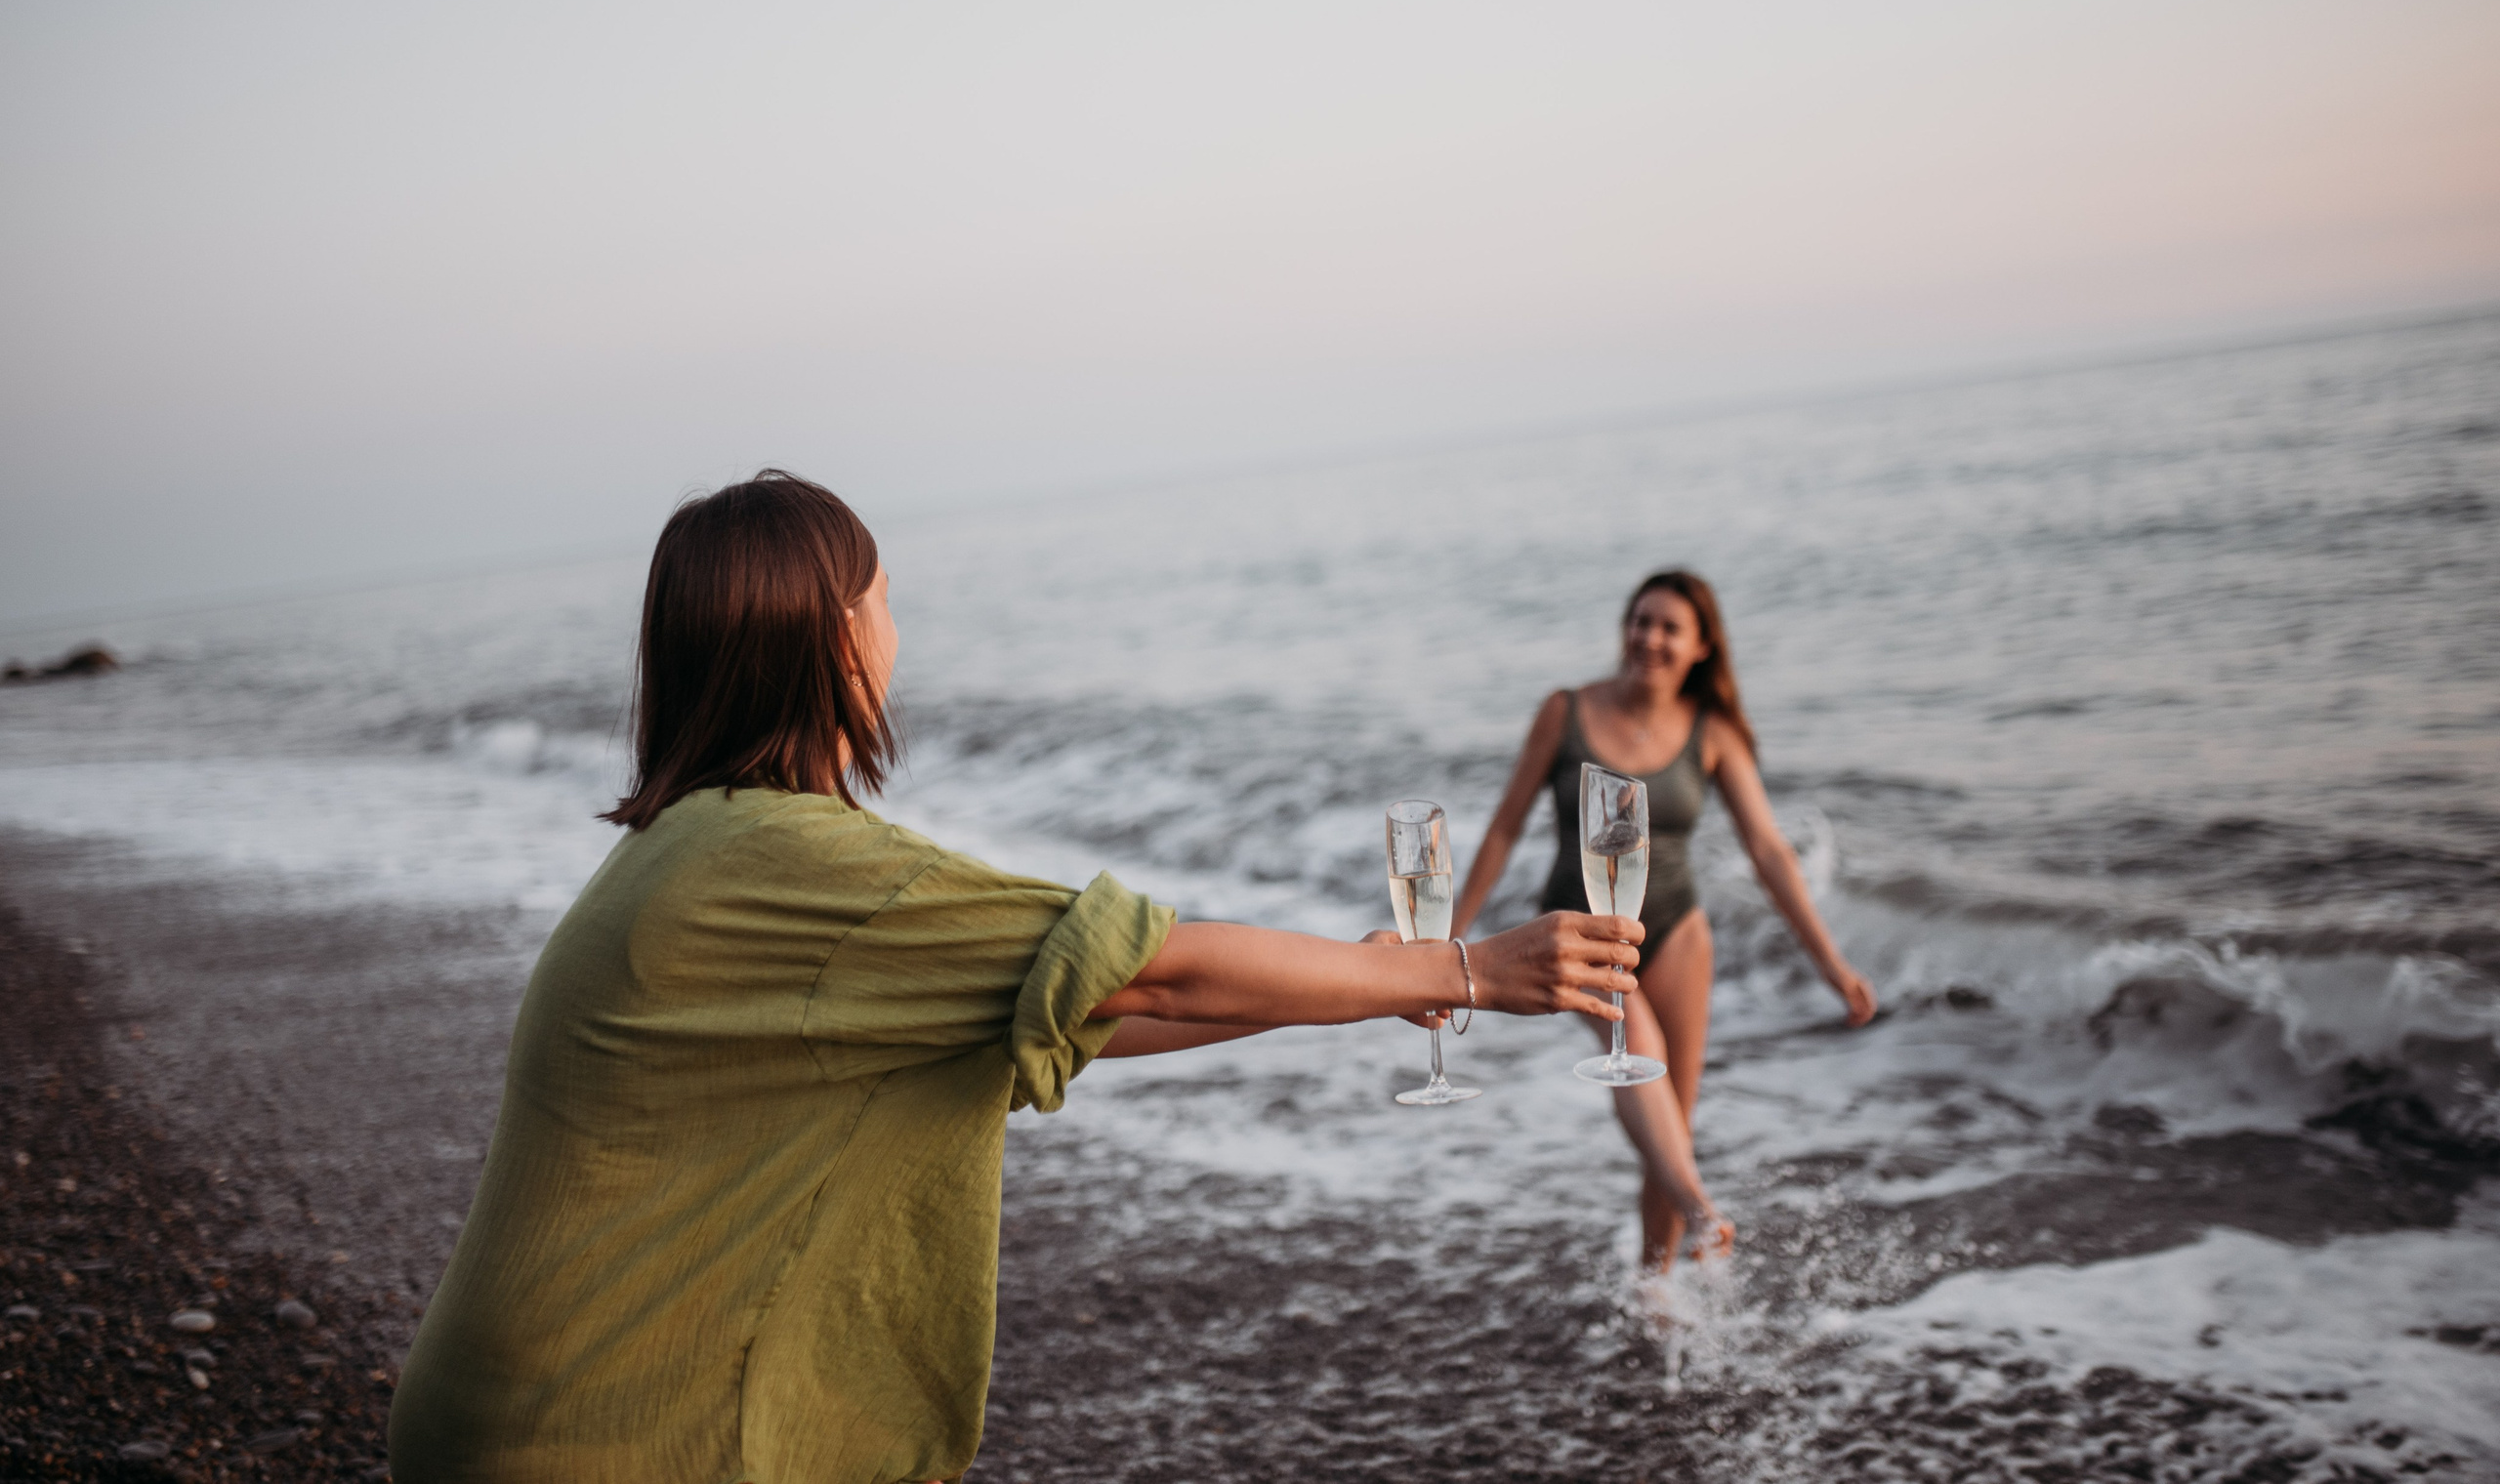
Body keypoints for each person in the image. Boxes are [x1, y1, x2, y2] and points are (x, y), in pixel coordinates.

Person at [388, 470, 1644, 1484]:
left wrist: (1353, 982)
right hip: (599, 1428)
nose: (895, 627)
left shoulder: (699, 849)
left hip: (530, 1403)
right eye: (884, 597)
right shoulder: (785, 863)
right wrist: (1467, 967)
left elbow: (1066, 1006)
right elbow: (1146, 970)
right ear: (837, 635)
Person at [1451, 569, 1878, 1275]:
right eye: (1640, 620)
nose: (1649, 637)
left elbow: (1768, 850)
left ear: (1702, 646)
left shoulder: (1713, 732)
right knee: (1639, 1048)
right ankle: (1701, 1208)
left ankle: (1656, 1283)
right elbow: (1504, 828)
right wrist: (1451, 943)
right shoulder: (1566, 710)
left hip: (1675, 928)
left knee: (1672, 1119)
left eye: (1669, 627)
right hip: (1580, 925)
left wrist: (1831, 964)